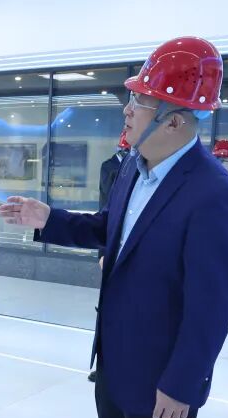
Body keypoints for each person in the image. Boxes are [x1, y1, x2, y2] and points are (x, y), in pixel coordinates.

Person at [0, 37, 228, 418]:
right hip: (114, 356)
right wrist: (49, 218)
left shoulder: (212, 193)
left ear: (176, 119)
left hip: (163, 374)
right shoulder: (138, 167)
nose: (128, 111)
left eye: (140, 101)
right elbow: (108, 230)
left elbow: (212, 305)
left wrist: (183, 383)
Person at [88, 130, 131, 383]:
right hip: (113, 244)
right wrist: (103, 252)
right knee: (108, 306)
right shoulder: (113, 169)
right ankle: (104, 364)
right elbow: (106, 212)